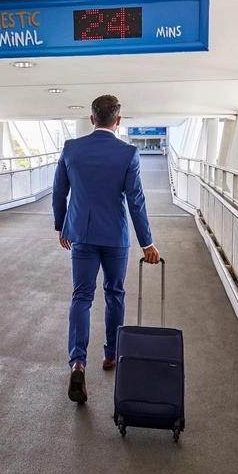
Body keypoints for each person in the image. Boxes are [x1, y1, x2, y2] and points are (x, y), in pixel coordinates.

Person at [52, 95, 160, 403]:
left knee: (81, 296)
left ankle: (77, 362)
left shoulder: (72, 148)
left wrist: (62, 226)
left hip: (82, 237)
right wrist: (147, 243)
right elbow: (136, 201)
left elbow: (60, 190)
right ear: (118, 121)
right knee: (114, 293)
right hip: (115, 236)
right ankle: (111, 354)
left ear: (91, 119)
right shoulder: (128, 153)